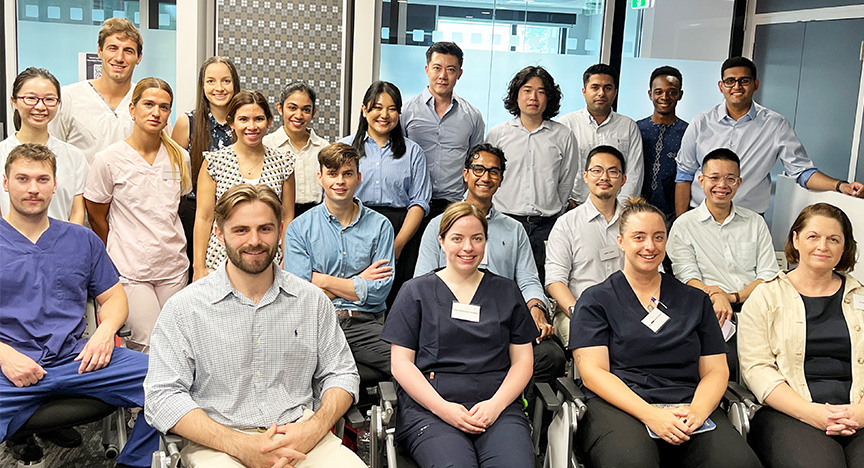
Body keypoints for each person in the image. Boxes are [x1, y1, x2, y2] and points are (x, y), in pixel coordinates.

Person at [145, 184, 365, 468]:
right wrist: (240, 445)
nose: (254, 240)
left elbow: (342, 374)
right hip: (220, 446)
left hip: (302, 438)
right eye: (241, 230)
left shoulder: (312, 301)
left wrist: (314, 428)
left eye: (265, 229)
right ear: (219, 232)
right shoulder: (184, 309)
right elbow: (162, 397)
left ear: (280, 230)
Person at [570, 197, 761, 468]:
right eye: (639, 237)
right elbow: (593, 373)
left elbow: (716, 370)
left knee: (738, 463)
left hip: (689, 403)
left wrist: (696, 412)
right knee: (632, 462)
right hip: (622, 405)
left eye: (658, 237)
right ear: (621, 242)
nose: (650, 246)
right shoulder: (596, 300)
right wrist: (650, 415)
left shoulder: (695, 300)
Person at [1, 143, 159, 468]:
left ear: (56, 185)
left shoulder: (81, 239)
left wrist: (105, 332)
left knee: (168, 380)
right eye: (23, 179)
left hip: (78, 359)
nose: (33, 188)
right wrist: (4, 355)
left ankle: (134, 462)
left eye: (42, 179)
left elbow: (114, 297)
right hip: (9, 367)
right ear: (6, 183)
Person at [382, 201, 538, 468]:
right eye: (457, 238)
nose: (468, 247)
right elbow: (401, 364)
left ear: (486, 241)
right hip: (432, 409)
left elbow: (523, 361)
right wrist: (444, 409)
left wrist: (495, 406)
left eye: (477, 238)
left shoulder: (506, 291)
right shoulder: (415, 292)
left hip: (497, 408)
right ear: (441, 241)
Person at [414, 143, 565, 400]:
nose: (486, 177)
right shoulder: (438, 225)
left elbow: (528, 279)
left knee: (550, 356)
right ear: (465, 174)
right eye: (478, 169)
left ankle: (517, 410)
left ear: (501, 179)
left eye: (493, 172)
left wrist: (537, 309)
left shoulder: (514, 229)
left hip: (503, 322)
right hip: (451, 320)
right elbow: (422, 281)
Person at [739, 203, 864, 468]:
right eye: (813, 236)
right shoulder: (765, 297)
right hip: (790, 412)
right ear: (795, 240)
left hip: (858, 410)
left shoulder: (861, 296)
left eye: (834, 239)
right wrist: (812, 413)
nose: (823, 246)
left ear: (845, 247)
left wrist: (861, 412)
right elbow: (756, 368)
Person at [675, 56, 864, 216]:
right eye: (730, 81)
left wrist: (840, 186)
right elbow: (684, 174)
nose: (737, 86)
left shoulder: (775, 125)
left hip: (748, 218)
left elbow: (801, 171)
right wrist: (681, 222)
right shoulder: (701, 122)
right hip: (700, 214)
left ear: (755, 84)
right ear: (721, 86)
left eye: (744, 80)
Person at [84, 78, 191, 353]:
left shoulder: (180, 157)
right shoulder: (108, 159)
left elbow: (172, 205)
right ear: (132, 109)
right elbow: (97, 215)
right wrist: (121, 247)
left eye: (164, 107)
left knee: (178, 344)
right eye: (149, 104)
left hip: (173, 267)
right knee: (149, 345)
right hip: (131, 269)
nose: (156, 112)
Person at [283, 143, 395, 377]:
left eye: (347, 173)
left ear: (358, 177)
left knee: (407, 365)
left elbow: (379, 292)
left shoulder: (381, 226)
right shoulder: (299, 229)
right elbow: (300, 297)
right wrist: (359, 281)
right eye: (332, 174)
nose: (340, 181)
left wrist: (321, 280)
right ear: (320, 178)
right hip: (316, 325)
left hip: (364, 325)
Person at [341, 81, 431, 304]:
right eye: (377, 107)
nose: (384, 114)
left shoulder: (413, 152)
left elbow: (419, 201)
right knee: (356, 291)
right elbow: (334, 196)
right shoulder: (345, 148)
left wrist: (398, 244)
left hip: (401, 228)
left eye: (391, 109)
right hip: (356, 225)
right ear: (364, 110)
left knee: (398, 297)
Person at [486, 66, 578, 283]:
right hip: (503, 221)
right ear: (516, 95)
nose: (533, 97)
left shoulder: (563, 136)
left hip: (545, 226)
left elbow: (566, 181)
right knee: (498, 282)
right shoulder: (497, 134)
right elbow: (487, 179)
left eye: (541, 91)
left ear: (549, 98)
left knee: (539, 283)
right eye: (527, 90)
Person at [192, 90, 295, 281]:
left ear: (269, 121)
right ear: (232, 123)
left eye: (258, 119)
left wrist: (287, 257)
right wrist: (198, 267)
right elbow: (204, 218)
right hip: (220, 259)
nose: (252, 126)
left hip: (267, 257)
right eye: (243, 119)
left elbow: (287, 216)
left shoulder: (284, 163)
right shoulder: (214, 162)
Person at [668, 148, 778, 325]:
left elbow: (768, 274)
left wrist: (732, 297)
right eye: (714, 178)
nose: (722, 185)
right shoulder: (684, 225)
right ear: (701, 181)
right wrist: (716, 296)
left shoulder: (755, 222)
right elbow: (687, 276)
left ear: (739, 182)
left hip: (755, 306)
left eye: (730, 179)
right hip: (706, 307)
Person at [545, 145, 627, 347]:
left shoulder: (635, 221)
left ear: (623, 179)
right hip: (579, 310)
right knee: (596, 343)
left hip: (629, 311)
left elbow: (655, 272)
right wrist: (579, 313)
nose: (604, 177)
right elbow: (555, 281)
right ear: (585, 176)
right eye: (597, 170)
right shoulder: (566, 224)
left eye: (613, 171)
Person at [171, 56, 240, 282]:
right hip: (194, 214)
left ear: (235, 84)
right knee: (198, 277)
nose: (218, 88)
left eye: (225, 81)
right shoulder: (187, 122)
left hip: (234, 212)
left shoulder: (244, 123)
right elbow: (173, 177)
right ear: (202, 85)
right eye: (211, 81)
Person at [402, 41, 486, 219]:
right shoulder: (406, 112)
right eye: (437, 68)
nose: (443, 76)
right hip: (409, 204)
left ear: (459, 74)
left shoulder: (472, 116)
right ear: (427, 70)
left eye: (450, 70)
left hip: (452, 207)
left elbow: (475, 163)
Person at [0, 67, 87, 224]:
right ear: (15, 102)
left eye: (49, 99)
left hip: (62, 245)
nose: (40, 107)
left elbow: (77, 212)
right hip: (9, 246)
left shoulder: (74, 156)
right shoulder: (1, 153)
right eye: (31, 98)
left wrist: (71, 246)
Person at [49, 18, 143, 162]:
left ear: (139, 57)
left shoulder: (148, 100)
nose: (119, 57)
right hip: (81, 185)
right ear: (99, 51)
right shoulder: (69, 97)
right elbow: (52, 153)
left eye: (128, 51)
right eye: (112, 48)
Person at [559, 64, 643, 207]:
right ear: (584, 91)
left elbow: (634, 173)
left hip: (616, 209)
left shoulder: (628, 126)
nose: (601, 93)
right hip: (573, 207)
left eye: (607, 88)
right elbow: (557, 170)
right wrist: (566, 201)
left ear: (615, 92)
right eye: (595, 87)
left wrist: (621, 208)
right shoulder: (566, 125)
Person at [263, 82, 329, 216]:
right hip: (277, 216)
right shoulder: (266, 145)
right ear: (280, 108)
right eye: (292, 108)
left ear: (313, 112)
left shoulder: (323, 147)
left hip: (316, 216)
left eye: (306, 110)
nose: (299, 115)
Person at [637, 66, 688, 222]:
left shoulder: (688, 132)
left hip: (673, 213)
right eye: (659, 92)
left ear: (680, 95)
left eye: (672, 92)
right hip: (638, 209)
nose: (665, 97)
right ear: (650, 94)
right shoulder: (636, 129)